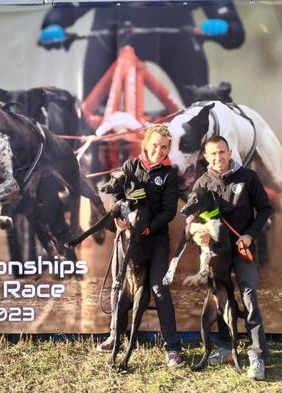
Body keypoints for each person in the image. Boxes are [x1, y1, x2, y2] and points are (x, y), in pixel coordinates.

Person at [39, 1, 245, 105]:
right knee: (90, 113)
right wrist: (53, 23)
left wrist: (226, 27)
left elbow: (235, 31)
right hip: (110, 38)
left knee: (204, 106)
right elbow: (67, 7)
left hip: (176, 39)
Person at [97, 124, 183, 368]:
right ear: (146, 144)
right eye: (155, 145)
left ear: (169, 149)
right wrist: (120, 219)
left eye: (164, 147)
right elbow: (115, 193)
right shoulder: (130, 165)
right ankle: (115, 336)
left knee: (158, 288)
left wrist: (148, 228)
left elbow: (169, 211)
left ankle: (172, 348)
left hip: (155, 237)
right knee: (118, 285)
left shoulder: (170, 173)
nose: (159, 150)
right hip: (127, 235)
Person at [190, 136, 271, 380]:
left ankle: (257, 354)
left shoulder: (248, 177)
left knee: (248, 296)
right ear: (206, 156)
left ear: (230, 151)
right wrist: (197, 235)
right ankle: (226, 348)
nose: (218, 158)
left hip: (243, 249)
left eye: (222, 152)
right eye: (213, 154)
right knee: (221, 298)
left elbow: (265, 208)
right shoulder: (202, 183)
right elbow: (192, 222)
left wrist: (249, 235)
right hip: (217, 256)